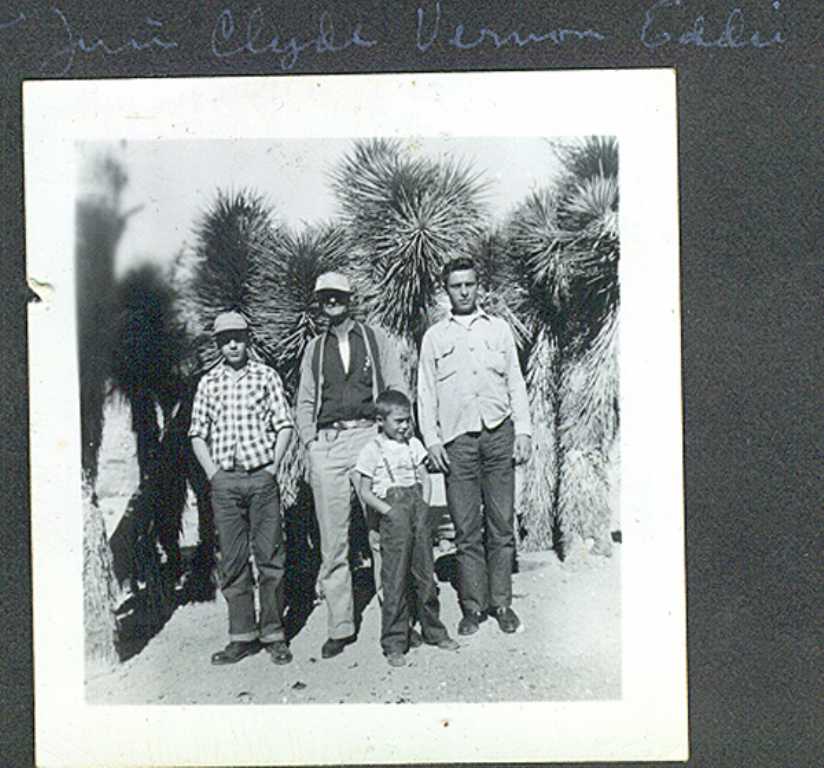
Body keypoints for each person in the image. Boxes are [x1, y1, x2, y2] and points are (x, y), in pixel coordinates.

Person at [417, 258, 532, 636]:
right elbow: (425, 392)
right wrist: (432, 440)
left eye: (469, 284)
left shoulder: (498, 329)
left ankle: (502, 603)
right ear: (446, 290)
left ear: (478, 286)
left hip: (498, 435)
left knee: (501, 525)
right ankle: (473, 607)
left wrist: (524, 431)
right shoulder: (435, 337)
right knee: (466, 530)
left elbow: (515, 381)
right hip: (458, 442)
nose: (464, 291)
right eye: (456, 286)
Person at [295, 272, 405, 659]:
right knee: (333, 541)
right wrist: (311, 443)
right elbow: (305, 400)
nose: (332, 302)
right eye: (325, 296)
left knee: (381, 531)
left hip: (368, 437)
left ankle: (394, 619)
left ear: (349, 298)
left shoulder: (374, 339)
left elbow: (396, 387)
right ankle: (340, 626)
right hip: (328, 443)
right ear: (319, 302)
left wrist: (390, 437)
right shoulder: (314, 349)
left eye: (338, 295)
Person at [189, 311, 295, 666]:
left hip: (261, 478)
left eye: (238, 337)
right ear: (218, 344)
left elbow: (284, 424)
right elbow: (197, 432)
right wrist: (213, 474)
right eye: (225, 340)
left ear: (248, 339)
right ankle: (242, 636)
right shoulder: (209, 382)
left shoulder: (266, 376)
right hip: (226, 482)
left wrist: (272, 467)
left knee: (270, 557)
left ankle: (274, 634)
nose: (232, 345)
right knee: (233, 559)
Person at [353, 389, 460, 667]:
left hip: (417, 512)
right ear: (380, 421)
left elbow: (425, 475)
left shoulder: (413, 444)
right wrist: (388, 511)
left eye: (407, 420)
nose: (404, 426)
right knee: (395, 580)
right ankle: (394, 642)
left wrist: (424, 505)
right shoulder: (372, 450)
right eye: (398, 421)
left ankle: (434, 631)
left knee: (425, 576)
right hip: (393, 517)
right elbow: (364, 491)